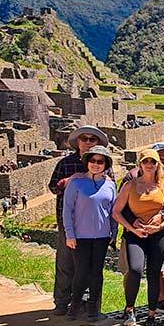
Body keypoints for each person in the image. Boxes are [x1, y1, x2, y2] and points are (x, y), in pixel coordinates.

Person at [48, 125, 113, 316]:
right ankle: (61, 302)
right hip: (68, 221)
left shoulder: (103, 164)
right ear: (78, 142)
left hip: (95, 225)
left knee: (90, 266)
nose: (87, 142)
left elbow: (111, 191)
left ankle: (87, 304)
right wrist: (68, 181)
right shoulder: (66, 163)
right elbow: (53, 187)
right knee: (66, 262)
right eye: (84, 139)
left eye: (92, 140)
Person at [112, 149, 164, 326]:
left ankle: (151, 313)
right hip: (136, 235)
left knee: (154, 272)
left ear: (158, 164)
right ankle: (130, 309)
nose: (149, 165)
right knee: (134, 270)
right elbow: (116, 211)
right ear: (140, 164)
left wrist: (160, 226)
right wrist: (132, 227)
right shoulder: (130, 185)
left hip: (158, 235)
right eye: (146, 161)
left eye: (153, 161)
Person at [61, 145, 117, 321]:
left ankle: (93, 306)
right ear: (87, 162)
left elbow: (113, 211)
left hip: (101, 237)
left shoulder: (110, 185)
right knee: (81, 272)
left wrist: (114, 233)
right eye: (92, 160)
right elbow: (67, 209)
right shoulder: (76, 183)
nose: (96, 164)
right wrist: (70, 234)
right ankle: (75, 305)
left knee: (97, 273)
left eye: (100, 162)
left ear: (105, 164)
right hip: (81, 237)